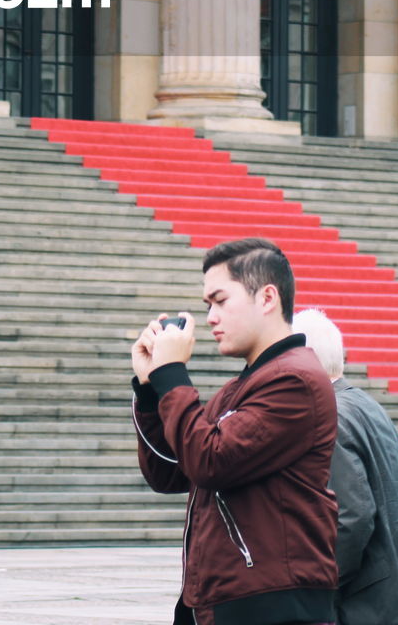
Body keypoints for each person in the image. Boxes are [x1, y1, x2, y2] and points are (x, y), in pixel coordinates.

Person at [131, 236, 339, 625]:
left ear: (267, 298)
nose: (210, 317)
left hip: (271, 601)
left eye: (221, 301)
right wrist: (148, 390)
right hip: (222, 594)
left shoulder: (295, 380)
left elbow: (211, 462)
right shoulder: (241, 387)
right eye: (207, 305)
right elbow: (170, 470)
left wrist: (172, 374)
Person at [295, 308, 398, 625]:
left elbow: (351, 517)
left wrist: (316, 589)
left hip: (362, 604)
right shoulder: (366, 405)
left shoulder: (331, 415)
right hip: (391, 594)